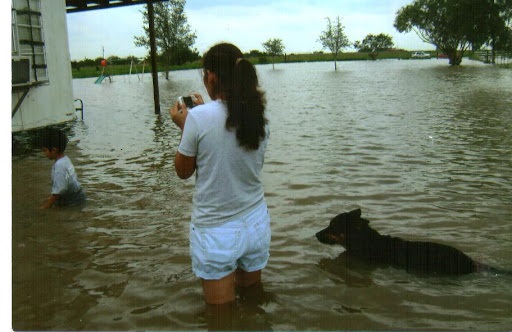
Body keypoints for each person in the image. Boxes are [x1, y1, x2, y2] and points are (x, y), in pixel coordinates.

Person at [170, 43, 271, 306]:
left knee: (221, 317)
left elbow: (183, 171)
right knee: (253, 300)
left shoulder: (198, 117)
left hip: (217, 231)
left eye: (205, 75)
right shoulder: (258, 114)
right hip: (256, 222)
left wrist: (185, 126)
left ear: (212, 77)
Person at [40, 128, 86, 209]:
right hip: (78, 195)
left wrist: (46, 206)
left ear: (54, 150)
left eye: (45, 150)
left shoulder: (59, 166)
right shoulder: (66, 159)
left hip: (71, 201)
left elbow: (59, 190)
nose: (44, 153)